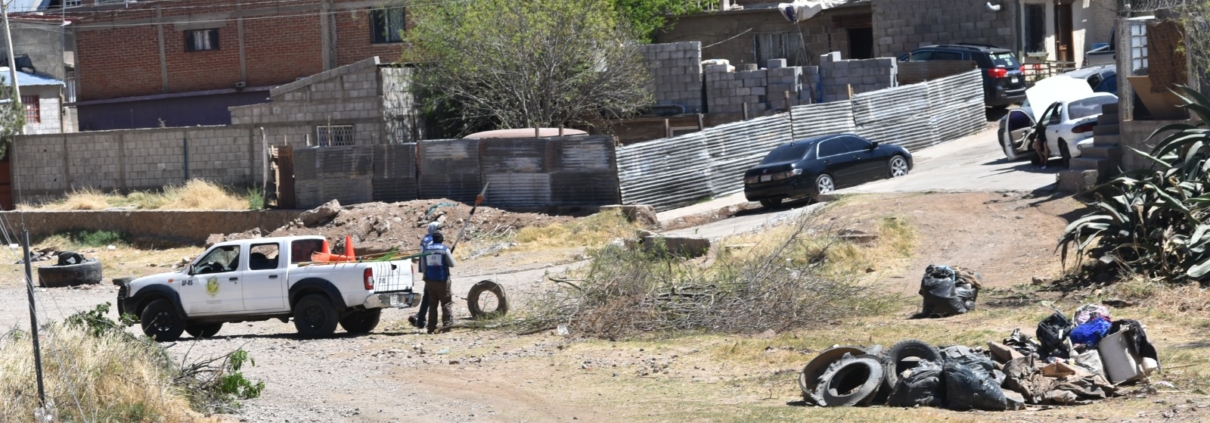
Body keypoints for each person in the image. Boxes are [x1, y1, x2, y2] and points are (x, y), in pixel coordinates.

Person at [421, 232, 456, 334]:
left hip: (430, 281)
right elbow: (452, 264)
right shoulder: (444, 249)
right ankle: (446, 326)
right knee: (446, 303)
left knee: (433, 304)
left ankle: (431, 327)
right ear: (442, 240)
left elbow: (423, 267)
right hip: (442, 280)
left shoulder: (426, 249)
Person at [409, 222, 442, 328]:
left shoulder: (426, 239)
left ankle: (421, 317)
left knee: (429, 295)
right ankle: (421, 320)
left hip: (427, 269)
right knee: (429, 295)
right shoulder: (430, 240)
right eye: (438, 229)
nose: (440, 231)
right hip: (430, 270)